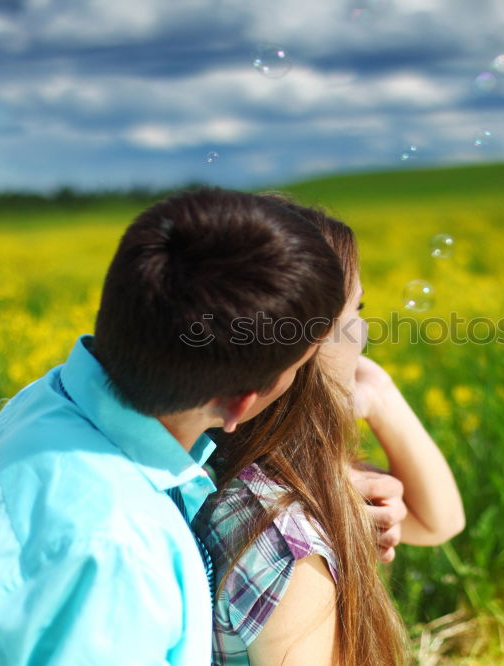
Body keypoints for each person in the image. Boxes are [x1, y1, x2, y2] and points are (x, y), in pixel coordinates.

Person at [0, 187, 355, 665]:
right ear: (240, 402)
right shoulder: (115, 549)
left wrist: (335, 491)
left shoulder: (47, 401)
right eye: (299, 365)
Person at [193, 202, 466, 665]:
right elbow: (439, 524)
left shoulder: (212, 463)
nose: (364, 331)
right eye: (354, 311)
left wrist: (377, 393)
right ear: (305, 349)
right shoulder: (288, 545)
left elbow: (438, 520)